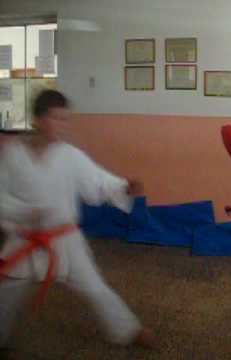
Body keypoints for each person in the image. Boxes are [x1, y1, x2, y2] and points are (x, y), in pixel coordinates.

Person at [0, 89, 157, 357]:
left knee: (95, 287)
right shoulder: (14, 154)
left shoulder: (69, 155)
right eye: (55, 118)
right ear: (37, 119)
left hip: (65, 240)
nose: (62, 125)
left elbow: (98, 181)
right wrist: (26, 213)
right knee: (6, 292)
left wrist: (123, 187)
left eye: (65, 119)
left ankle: (128, 329)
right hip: (25, 240)